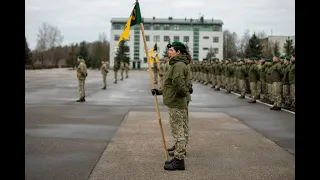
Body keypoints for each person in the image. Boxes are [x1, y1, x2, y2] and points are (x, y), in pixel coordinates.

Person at [151, 41, 192, 171]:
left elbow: (178, 84)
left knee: (178, 130)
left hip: (176, 102)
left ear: (178, 52)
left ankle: (179, 160)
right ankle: (179, 153)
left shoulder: (178, 65)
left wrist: (184, 94)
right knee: (181, 129)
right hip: (177, 100)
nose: (169, 52)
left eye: (171, 50)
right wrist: (160, 92)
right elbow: (172, 85)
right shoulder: (177, 64)